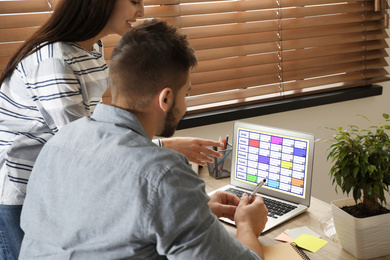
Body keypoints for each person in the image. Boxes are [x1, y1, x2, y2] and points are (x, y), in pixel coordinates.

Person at [19, 19, 269, 259]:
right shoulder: (164, 173)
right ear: (166, 99)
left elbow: (96, 228)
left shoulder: (60, 143)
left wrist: (193, 213)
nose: (185, 106)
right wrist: (248, 225)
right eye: (186, 94)